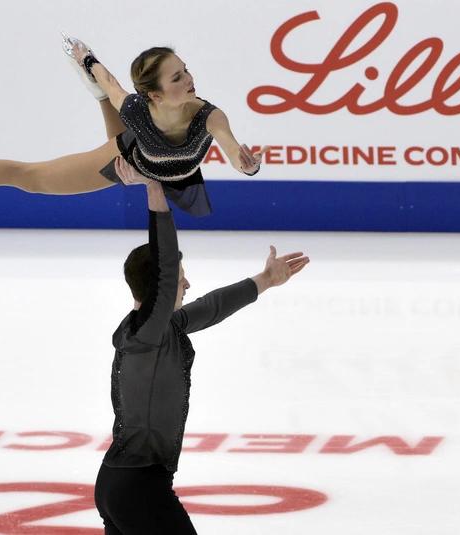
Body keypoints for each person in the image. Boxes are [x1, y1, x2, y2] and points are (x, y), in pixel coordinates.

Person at [94, 157, 309, 534]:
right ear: (159, 287)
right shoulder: (148, 333)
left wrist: (265, 279)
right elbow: (165, 262)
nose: (187, 285)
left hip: (120, 482)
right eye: (180, 279)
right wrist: (153, 188)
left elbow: (211, 307)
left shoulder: (158, 331)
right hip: (138, 487)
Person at [0, 35, 272, 220]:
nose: (189, 79)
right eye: (177, 78)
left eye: (185, 70)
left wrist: (249, 165)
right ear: (154, 95)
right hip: (128, 159)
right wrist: (89, 62)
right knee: (32, 178)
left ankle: (97, 100)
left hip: (167, 171)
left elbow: (235, 153)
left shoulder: (211, 116)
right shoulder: (137, 109)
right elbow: (113, 84)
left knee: (121, 129)